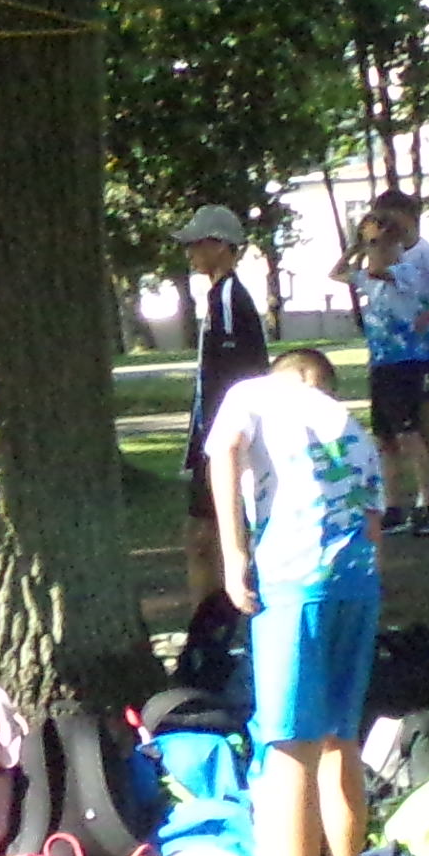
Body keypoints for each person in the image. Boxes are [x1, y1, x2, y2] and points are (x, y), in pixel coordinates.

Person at [202, 338, 381, 856]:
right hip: (356, 585)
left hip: (292, 583)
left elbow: (224, 450)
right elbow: (376, 524)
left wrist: (233, 554)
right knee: (341, 744)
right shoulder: (352, 428)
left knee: (289, 752)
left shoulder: (256, 393)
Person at [172, 204, 271, 605]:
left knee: (210, 534)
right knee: (202, 534)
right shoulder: (217, 297)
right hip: (211, 437)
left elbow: (237, 376)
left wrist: (224, 439)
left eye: (197, 244)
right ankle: (211, 620)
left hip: (224, 437)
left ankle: (221, 618)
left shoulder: (229, 298)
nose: (190, 253)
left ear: (220, 246)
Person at [350, 193, 429, 536]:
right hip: (389, 357)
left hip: (425, 351)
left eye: (388, 217)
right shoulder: (386, 258)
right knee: (393, 431)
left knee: (420, 424)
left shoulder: (423, 254)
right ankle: (401, 503)